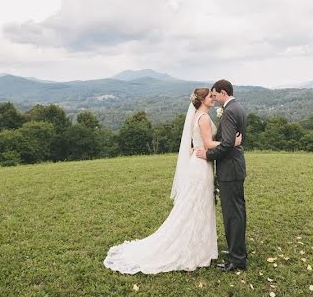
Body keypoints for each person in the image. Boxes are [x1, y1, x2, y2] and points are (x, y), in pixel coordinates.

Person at [103, 87, 242, 274]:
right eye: (210, 96)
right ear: (202, 100)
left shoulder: (196, 117)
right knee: (198, 205)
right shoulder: (205, 118)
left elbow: (197, 143)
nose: (213, 98)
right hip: (201, 167)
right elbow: (208, 144)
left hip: (198, 162)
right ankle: (196, 248)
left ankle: (199, 245)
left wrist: (197, 148)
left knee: (195, 205)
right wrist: (232, 142)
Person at [195, 79, 248, 272]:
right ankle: (237, 251)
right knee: (237, 211)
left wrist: (207, 154)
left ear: (223, 92)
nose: (214, 99)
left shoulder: (229, 112)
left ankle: (237, 260)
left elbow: (226, 144)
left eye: (215, 95)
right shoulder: (238, 108)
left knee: (232, 214)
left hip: (230, 170)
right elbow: (232, 141)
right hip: (236, 167)